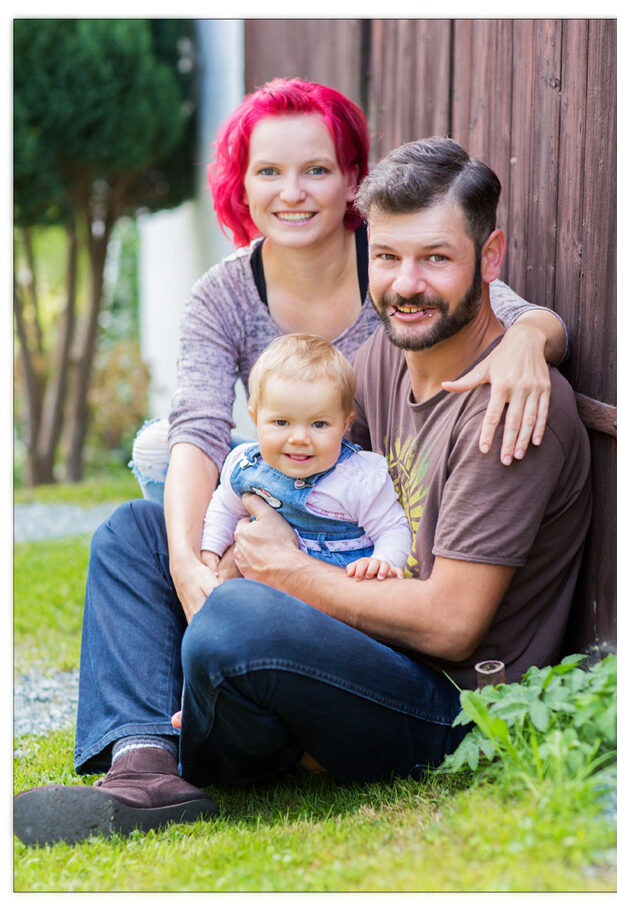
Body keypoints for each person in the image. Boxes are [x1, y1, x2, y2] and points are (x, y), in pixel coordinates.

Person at [13, 100, 572, 847]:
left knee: (242, 620)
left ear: (489, 259)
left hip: (446, 703)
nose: (407, 282)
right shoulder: (384, 359)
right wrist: (218, 550)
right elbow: (290, 476)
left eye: (436, 258)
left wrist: (283, 574)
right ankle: (146, 763)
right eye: (388, 256)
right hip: (361, 635)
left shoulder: (510, 407)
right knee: (135, 531)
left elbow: (451, 623)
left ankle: (234, 727)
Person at [128, 77, 569, 628]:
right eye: (269, 172)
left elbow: (505, 308)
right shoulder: (224, 294)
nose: (292, 193)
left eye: (316, 169)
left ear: (351, 180)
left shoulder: (394, 265)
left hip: (358, 483)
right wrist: (188, 561)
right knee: (151, 472)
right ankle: (176, 665)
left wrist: (530, 337)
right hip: (279, 461)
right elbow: (199, 427)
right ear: (242, 185)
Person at [201, 333, 411, 580]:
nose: (300, 438)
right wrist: (211, 549)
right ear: (255, 418)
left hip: (339, 595)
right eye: (281, 422)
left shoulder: (357, 479)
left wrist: (382, 561)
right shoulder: (245, 466)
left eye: (319, 424)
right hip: (270, 588)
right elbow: (226, 507)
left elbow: (393, 528)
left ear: (345, 424)